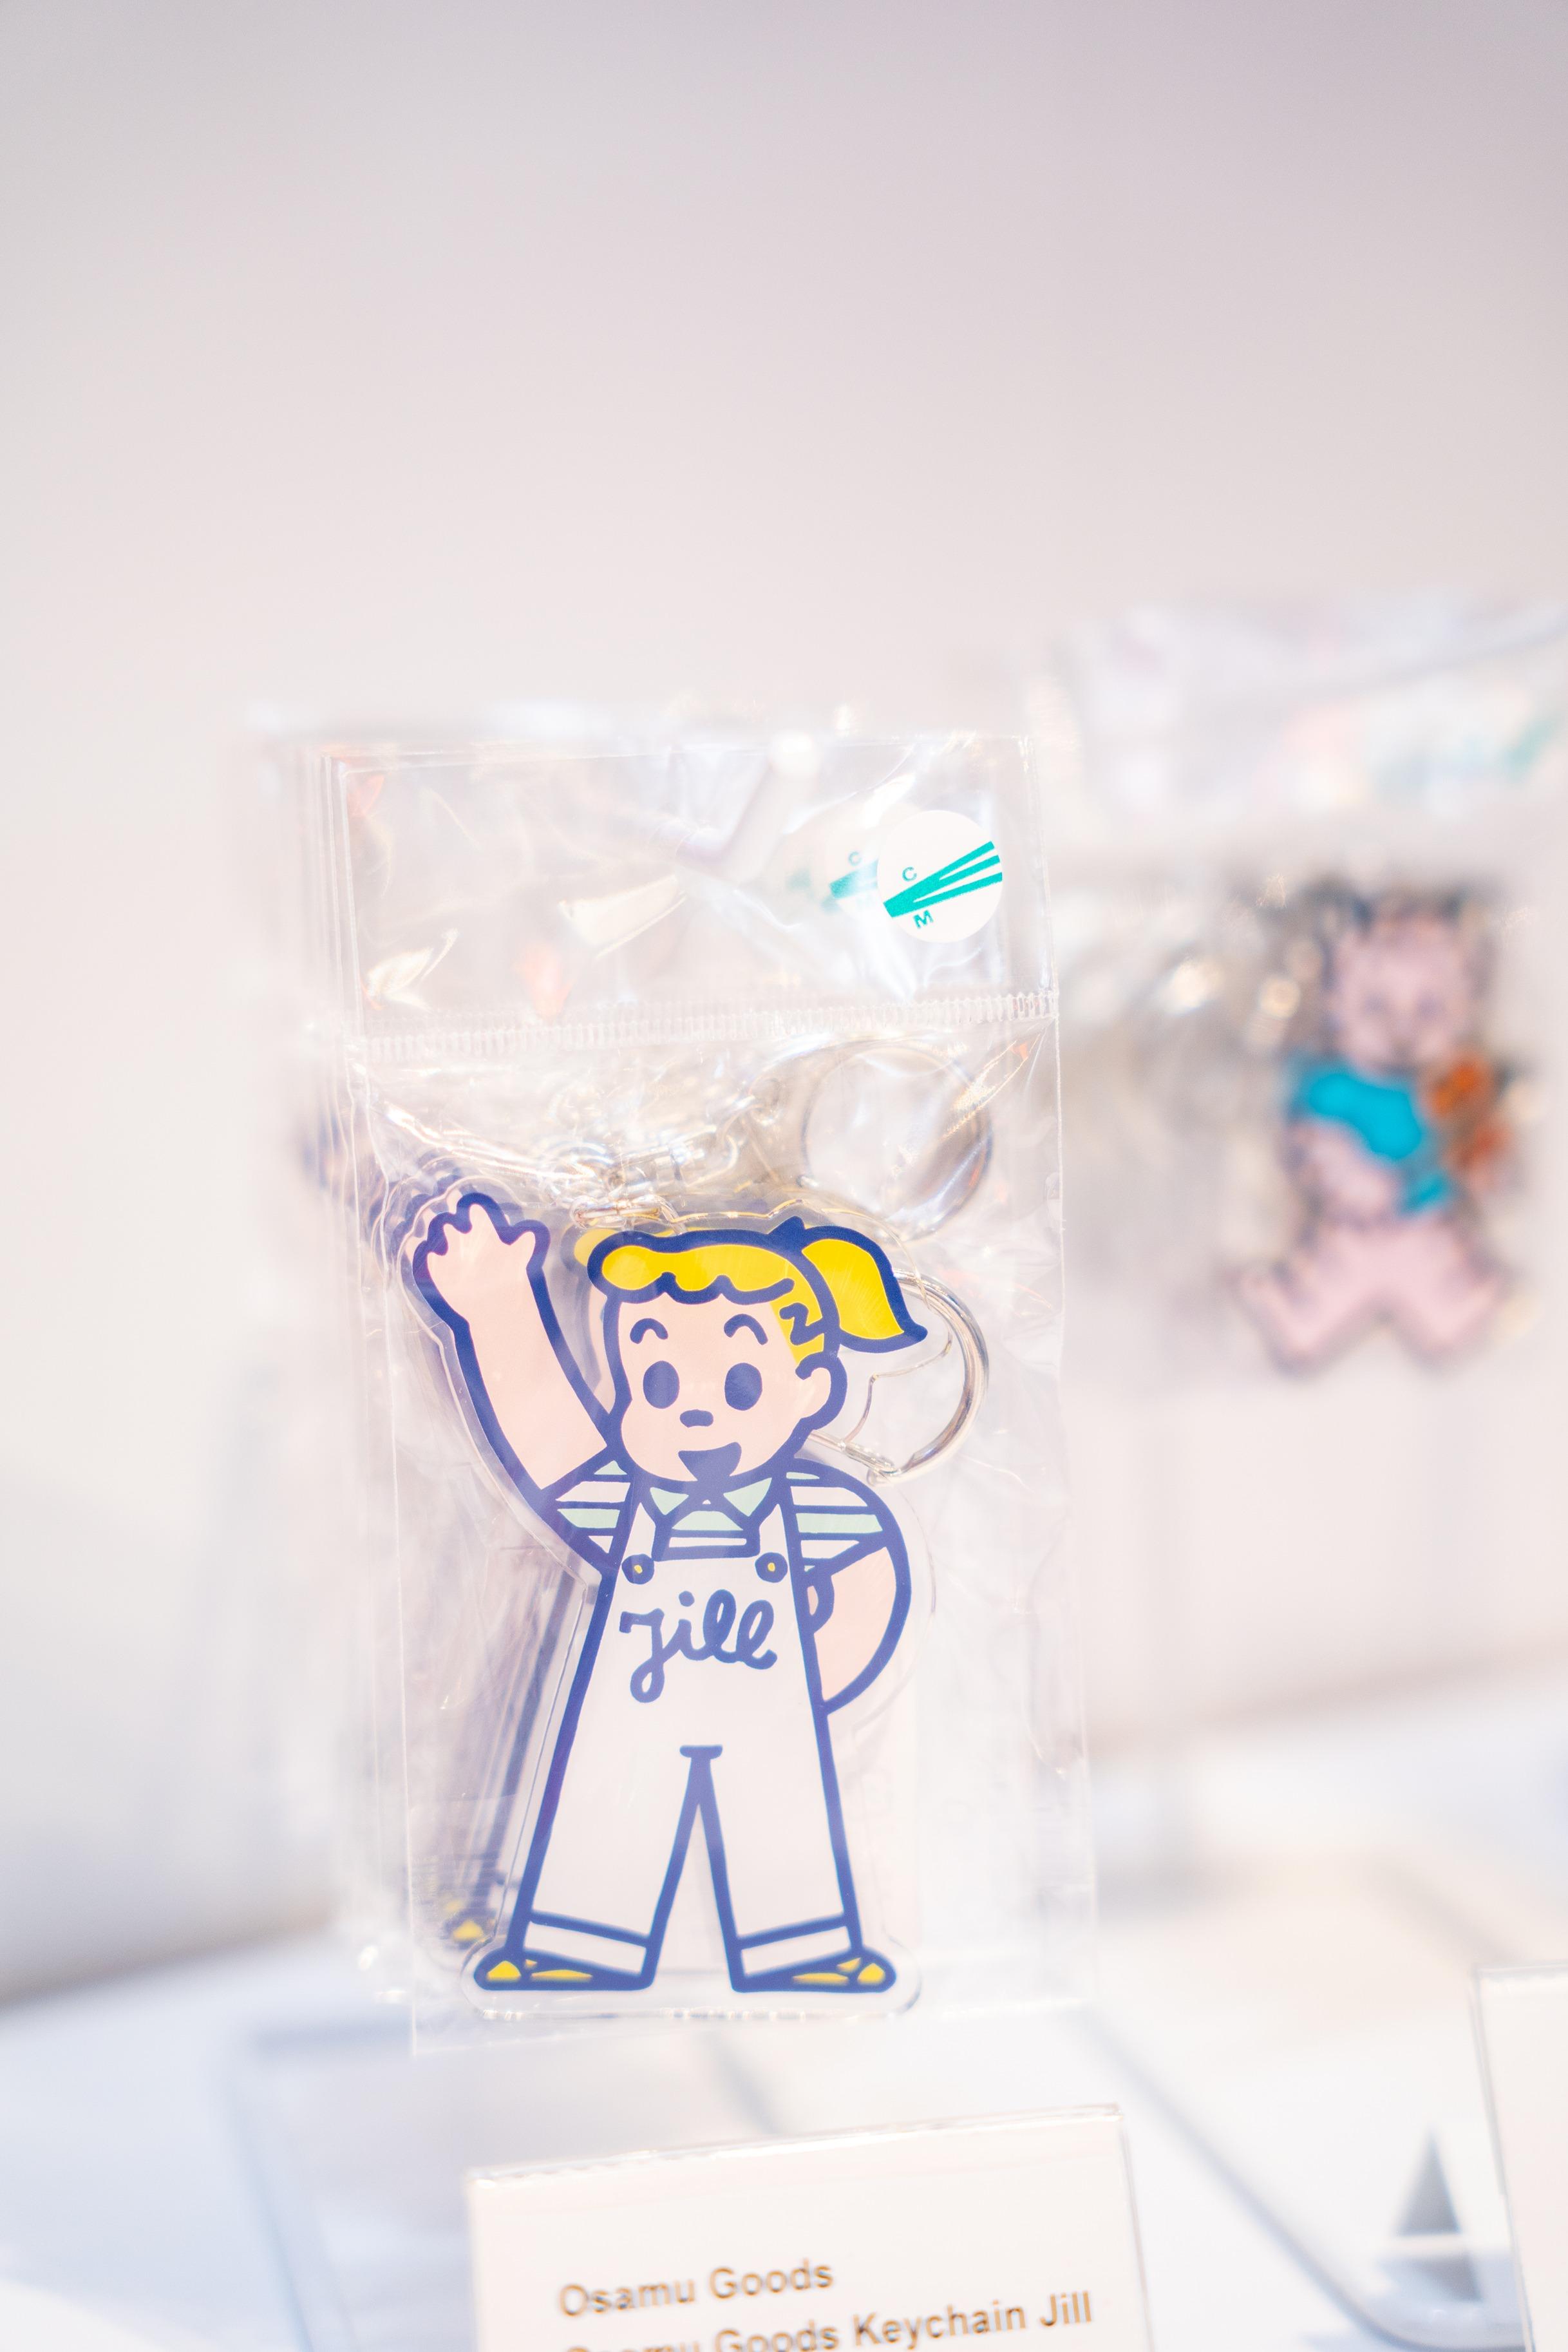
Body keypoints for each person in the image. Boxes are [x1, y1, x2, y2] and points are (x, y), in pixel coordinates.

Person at [411, 1200, 925, 1995]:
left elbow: (869, 1577)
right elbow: (548, 1445)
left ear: (813, 1389)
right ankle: (576, 1940)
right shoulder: (619, 1501)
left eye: (742, 1384)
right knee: (605, 1802)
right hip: (633, 1709)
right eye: (655, 1382)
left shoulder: (819, 1506)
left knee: (779, 1810)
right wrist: (497, 1306)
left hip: (765, 1706)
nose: (694, 1408)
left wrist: (817, 1678)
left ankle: (804, 1944)